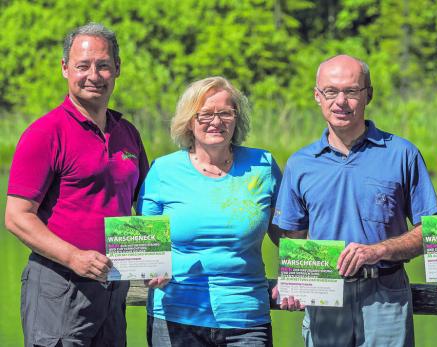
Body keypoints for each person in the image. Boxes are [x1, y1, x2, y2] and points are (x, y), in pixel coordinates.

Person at [272, 54, 437, 347]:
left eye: (351, 91)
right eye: (330, 92)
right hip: (324, 293)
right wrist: (292, 279)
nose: (340, 101)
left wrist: (379, 250)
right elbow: (292, 239)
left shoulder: (402, 154)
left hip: (386, 293)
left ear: (368, 95)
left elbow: (431, 232)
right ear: (317, 96)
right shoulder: (300, 164)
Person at [4, 23, 149, 346]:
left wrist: (154, 259)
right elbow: (17, 216)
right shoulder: (44, 133)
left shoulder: (127, 133)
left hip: (113, 287)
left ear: (117, 69)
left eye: (103, 65)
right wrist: (73, 257)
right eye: (83, 66)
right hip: (60, 285)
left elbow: (145, 206)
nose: (93, 75)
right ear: (65, 68)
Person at [137, 76, 281, 347]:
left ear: (237, 119)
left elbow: (290, 235)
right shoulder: (162, 171)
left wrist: (299, 279)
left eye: (225, 113)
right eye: (205, 114)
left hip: (246, 318)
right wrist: (148, 270)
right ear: (190, 121)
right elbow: (145, 246)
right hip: (176, 315)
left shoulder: (263, 166)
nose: (216, 122)